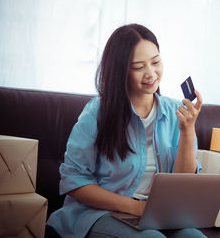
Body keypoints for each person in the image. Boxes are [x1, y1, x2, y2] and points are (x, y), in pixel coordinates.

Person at [46, 24, 206, 238]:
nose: (151, 73)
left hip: (156, 216)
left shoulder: (175, 111)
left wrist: (187, 130)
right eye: (139, 67)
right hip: (99, 214)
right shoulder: (97, 113)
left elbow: (183, 182)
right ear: (120, 70)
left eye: (156, 62)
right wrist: (135, 208)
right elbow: (74, 181)